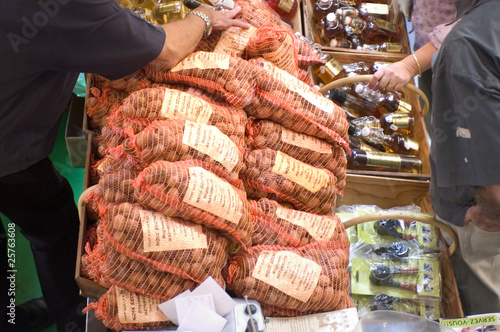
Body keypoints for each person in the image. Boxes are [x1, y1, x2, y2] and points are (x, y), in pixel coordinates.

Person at [0, 1, 249, 331]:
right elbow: (165, 50)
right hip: (8, 154)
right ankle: (70, 316)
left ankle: (10, 317)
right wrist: (203, 17)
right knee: (52, 225)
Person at [429, 0, 500, 316]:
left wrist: (482, 212)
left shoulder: (469, 45)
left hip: (485, 235)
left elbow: (496, 191)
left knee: (475, 312)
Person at [368, 0, 456, 134]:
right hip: (427, 50)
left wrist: (409, 66)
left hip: (459, 61)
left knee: (455, 123)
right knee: (429, 112)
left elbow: (475, 21)